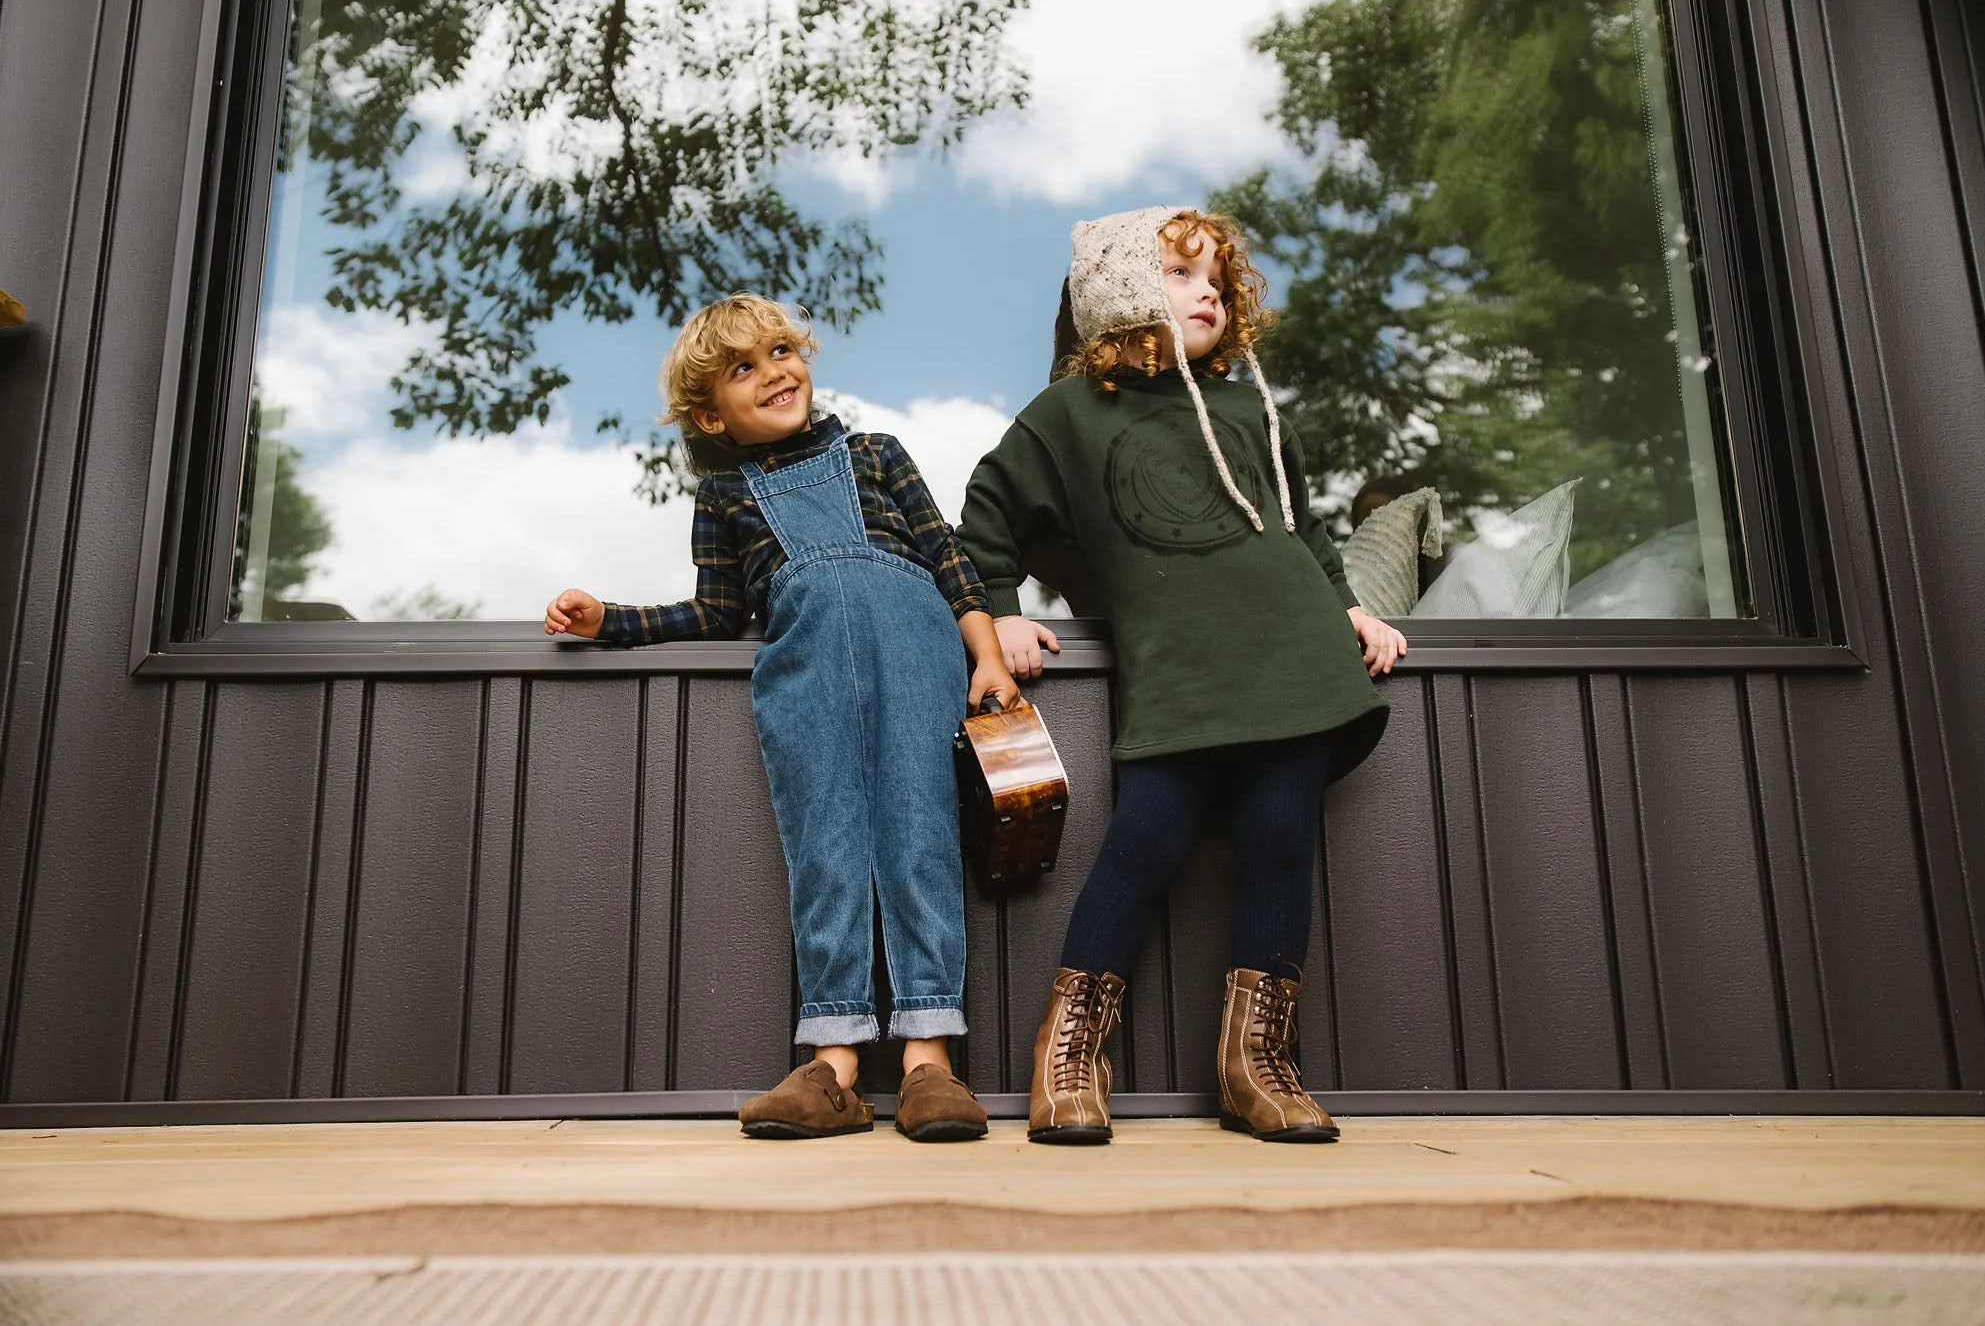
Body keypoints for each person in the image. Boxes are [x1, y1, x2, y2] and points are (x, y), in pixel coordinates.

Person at [958, 208, 1406, 1145]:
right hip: (1182, 673)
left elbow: (1303, 530)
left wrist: (1348, 608)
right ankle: (1070, 1055)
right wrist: (1001, 612)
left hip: (1294, 657)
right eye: (1178, 272)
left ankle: (1258, 1067)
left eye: (1216, 278)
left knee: (1282, 841)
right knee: (1146, 841)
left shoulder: (1246, 404)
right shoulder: (1069, 415)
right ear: (1118, 289)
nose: (1209, 290)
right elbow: (984, 520)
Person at [545, 294, 1017, 1142]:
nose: (774, 373)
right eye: (742, 368)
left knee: (919, 838)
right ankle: (833, 1067)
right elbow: (716, 614)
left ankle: (929, 1062)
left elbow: (948, 554)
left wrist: (985, 654)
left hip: (917, 656)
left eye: (781, 352)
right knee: (827, 848)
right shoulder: (724, 495)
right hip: (804, 676)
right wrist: (609, 620)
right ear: (708, 414)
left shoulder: (876, 452)